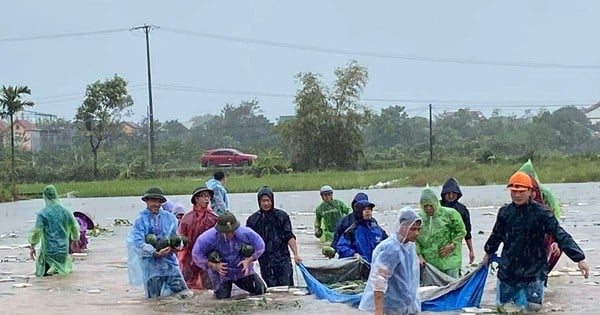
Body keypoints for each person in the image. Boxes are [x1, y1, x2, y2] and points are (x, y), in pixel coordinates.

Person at [483, 171, 590, 312]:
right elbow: (496, 235)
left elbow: (560, 234)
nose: (517, 195)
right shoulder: (505, 212)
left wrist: (579, 258)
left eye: (521, 191)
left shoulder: (542, 213)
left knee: (534, 310)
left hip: (534, 271)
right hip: (509, 270)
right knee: (504, 309)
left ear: (530, 192)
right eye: (514, 191)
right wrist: (488, 253)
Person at [126, 187, 190, 298]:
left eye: (159, 201)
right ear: (146, 201)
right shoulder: (140, 220)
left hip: (170, 264)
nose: (156, 204)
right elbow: (138, 242)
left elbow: (174, 238)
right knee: (154, 299)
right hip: (151, 267)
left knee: (183, 294)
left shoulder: (170, 218)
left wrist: (176, 247)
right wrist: (155, 252)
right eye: (153, 201)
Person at [359, 207, 422, 315]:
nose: (416, 233)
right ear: (402, 226)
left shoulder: (409, 246)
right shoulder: (392, 248)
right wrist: (378, 310)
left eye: (418, 229)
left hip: (404, 304)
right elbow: (379, 278)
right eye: (412, 229)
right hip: (390, 306)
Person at [192, 211, 267, 299]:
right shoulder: (207, 238)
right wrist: (213, 265)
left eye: (232, 231)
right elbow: (197, 255)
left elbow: (260, 246)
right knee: (223, 299)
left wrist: (249, 259)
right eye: (226, 232)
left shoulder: (246, 233)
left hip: (242, 270)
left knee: (261, 291)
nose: (229, 234)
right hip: (221, 274)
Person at [246, 186, 302, 287]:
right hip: (265, 261)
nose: (266, 204)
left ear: (272, 200)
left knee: (287, 288)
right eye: (263, 201)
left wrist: (296, 254)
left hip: (283, 259)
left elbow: (289, 236)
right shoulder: (253, 220)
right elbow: (248, 242)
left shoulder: (282, 216)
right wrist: (248, 260)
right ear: (259, 202)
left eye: (268, 200)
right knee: (272, 290)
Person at [518, 159, 562, 276]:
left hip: (547, 231)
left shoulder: (545, 193)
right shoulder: (517, 197)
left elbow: (555, 214)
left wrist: (556, 240)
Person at [28, 185, 80, 277]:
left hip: (49, 251)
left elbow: (37, 232)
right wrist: (75, 240)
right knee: (61, 276)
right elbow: (75, 226)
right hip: (63, 250)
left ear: (45, 197)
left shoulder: (43, 214)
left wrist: (32, 246)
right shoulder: (66, 212)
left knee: (46, 278)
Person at [416, 185, 466, 278]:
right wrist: (419, 255)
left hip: (450, 260)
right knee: (432, 290)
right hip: (429, 263)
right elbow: (415, 239)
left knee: (452, 287)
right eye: (425, 206)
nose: (428, 209)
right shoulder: (419, 219)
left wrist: (452, 245)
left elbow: (461, 231)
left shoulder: (450, 214)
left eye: (431, 206)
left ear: (435, 203)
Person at [177, 187, 218, 290]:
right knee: (190, 288)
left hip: (208, 258)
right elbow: (181, 240)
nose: (207, 199)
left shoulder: (214, 218)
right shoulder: (186, 219)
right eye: (203, 196)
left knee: (209, 288)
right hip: (190, 260)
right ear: (196, 199)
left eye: (208, 196)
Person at [440, 177, 475, 264]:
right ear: (444, 194)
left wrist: (471, 250)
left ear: (458, 194)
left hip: (455, 246)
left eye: (454, 193)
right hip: (438, 245)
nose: (451, 196)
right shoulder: (437, 207)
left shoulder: (462, 209)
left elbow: (467, 232)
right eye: (448, 193)